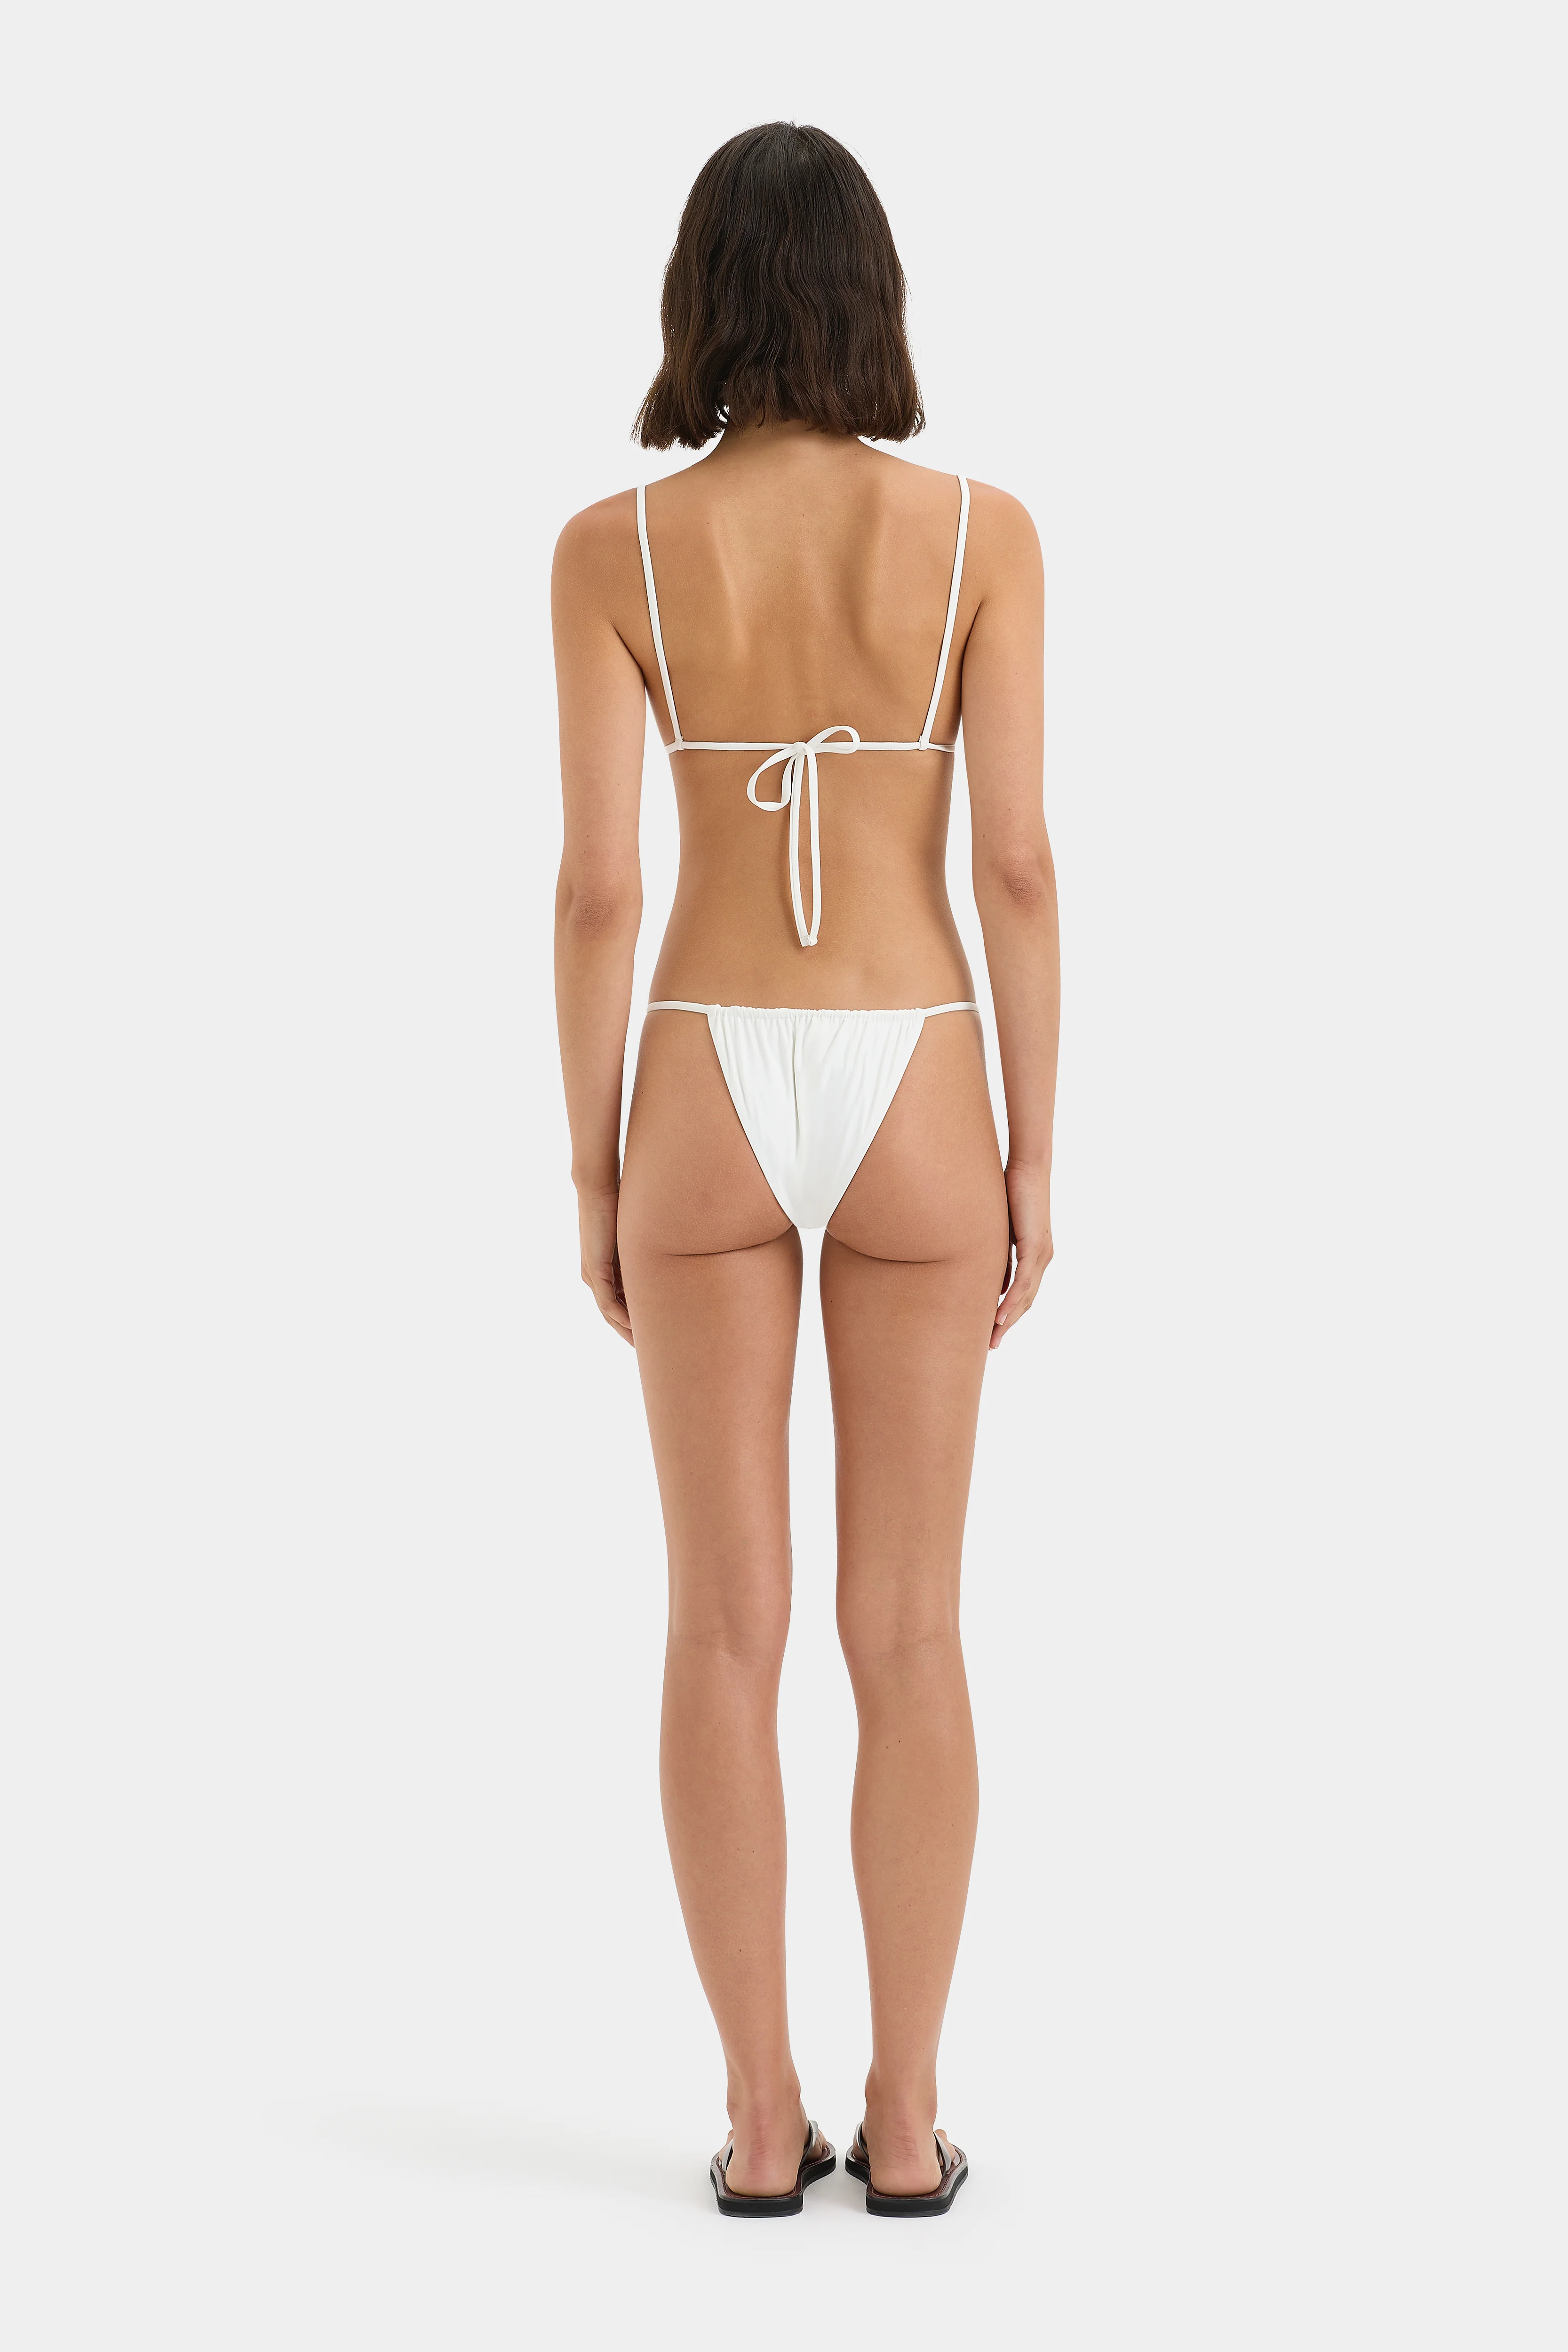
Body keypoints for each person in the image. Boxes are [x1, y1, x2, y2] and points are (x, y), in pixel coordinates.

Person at [552, 121, 1058, 2217]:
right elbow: (1014, 867)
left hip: (700, 1067)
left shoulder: (613, 550)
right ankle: (908, 2124)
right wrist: (1036, 1151)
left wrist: (592, 1170)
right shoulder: (975, 538)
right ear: (871, 299)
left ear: (695, 299)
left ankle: (763, 2127)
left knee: (720, 1628)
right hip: (918, 1060)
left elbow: (599, 888)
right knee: (907, 1628)